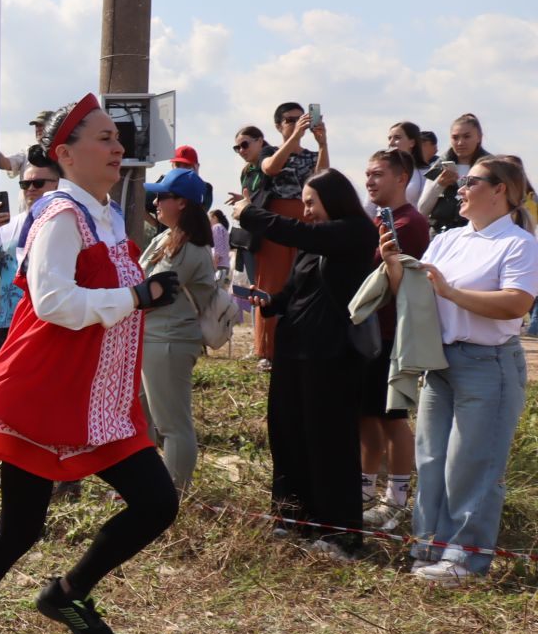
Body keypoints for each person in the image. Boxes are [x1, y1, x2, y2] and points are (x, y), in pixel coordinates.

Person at [0, 97, 182, 634]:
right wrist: (138, 296)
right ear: (65, 154)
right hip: (48, 393)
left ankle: (66, 592)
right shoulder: (61, 216)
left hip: (101, 400)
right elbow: (54, 302)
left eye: (118, 138)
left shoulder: (109, 215)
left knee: (155, 503)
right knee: (20, 528)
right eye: (103, 138)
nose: (117, 147)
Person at [381, 156, 536, 584]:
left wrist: (450, 290)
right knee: (431, 460)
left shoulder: (519, 243)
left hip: (488, 365)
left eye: (470, 181)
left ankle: (465, 561)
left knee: (472, 464)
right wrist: (396, 266)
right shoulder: (448, 239)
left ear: (500, 189)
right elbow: (415, 296)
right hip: (441, 362)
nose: (461, 188)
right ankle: (429, 546)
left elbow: (517, 303)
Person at [233, 168, 378, 558]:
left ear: (335, 200)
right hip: (295, 352)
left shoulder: (353, 231)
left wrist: (250, 211)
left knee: (329, 441)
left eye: (311, 202)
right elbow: (296, 290)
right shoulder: (314, 244)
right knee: (289, 433)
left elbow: (295, 232)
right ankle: (293, 517)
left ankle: (341, 534)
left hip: (333, 356)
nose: (306, 210)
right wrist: (270, 301)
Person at [359, 149, 432, 528]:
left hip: (390, 333)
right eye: (367, 175)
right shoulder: (379, 220)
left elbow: (380, 272)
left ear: (402, 178)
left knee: (392, 416)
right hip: (371, 332)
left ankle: (397, 499)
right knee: (368, 414)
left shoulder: (409, 222)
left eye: (378, 175)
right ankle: (366, 491)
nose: (370, 181)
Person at [137, 167, 219, 491]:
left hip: (169, 341)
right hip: (154, 338)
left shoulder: (187, 248)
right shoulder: (166, 238)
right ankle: (145, 489)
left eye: (163, 196)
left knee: (172, 425)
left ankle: (171, 496)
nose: (155, 202)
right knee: (143, 420)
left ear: (182, 203)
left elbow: (154, 292)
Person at [232, 102, 328, 365]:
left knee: (306, 281)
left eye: (300, 118)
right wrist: (295, 136)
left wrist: (322, 145)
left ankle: (302, 345)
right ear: (278, 126)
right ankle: (269, 350)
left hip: (305, 219)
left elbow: (321, 177)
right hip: (274, 222)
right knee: (271, 284)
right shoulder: (269, 152)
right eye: (289, 119)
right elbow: (271, 168)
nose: (297, 122)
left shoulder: (309, 155)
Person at [0, 166, 60, 355]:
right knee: (4, 384)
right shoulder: (6, 226)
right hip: (8, 323)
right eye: (25, 184)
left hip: (47, 322)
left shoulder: (65, 223)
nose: (31, 189)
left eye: (38, 183)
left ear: (57, 184)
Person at [418, 113, 488, 236]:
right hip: (440, 234)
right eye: (455, 138)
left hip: (476, 235)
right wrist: (439, 185)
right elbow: (422, 209)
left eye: (467, 137)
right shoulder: (439, 165)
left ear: (479, 137)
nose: (460, 143)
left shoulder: (490, 166)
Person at [386, 121, 429, 208]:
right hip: (382, 220)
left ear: (412, 143)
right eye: (389, 138)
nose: (391, 143)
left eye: (397, 138)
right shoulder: (382, 169)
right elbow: (369, 207)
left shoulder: (425, 172)